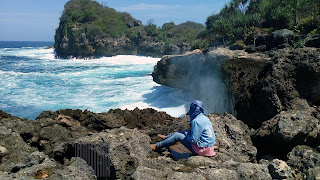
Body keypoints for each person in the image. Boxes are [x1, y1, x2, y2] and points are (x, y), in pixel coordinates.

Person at [151, 100, 216, 157]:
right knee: (182, 133)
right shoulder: (205, 118)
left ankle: (157, 146)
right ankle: (167, 138)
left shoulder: (196, 121)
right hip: (209, 148)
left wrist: (187, 134)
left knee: (177, 136)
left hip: (202, 150)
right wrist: (187, 133)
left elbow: (194, 140)